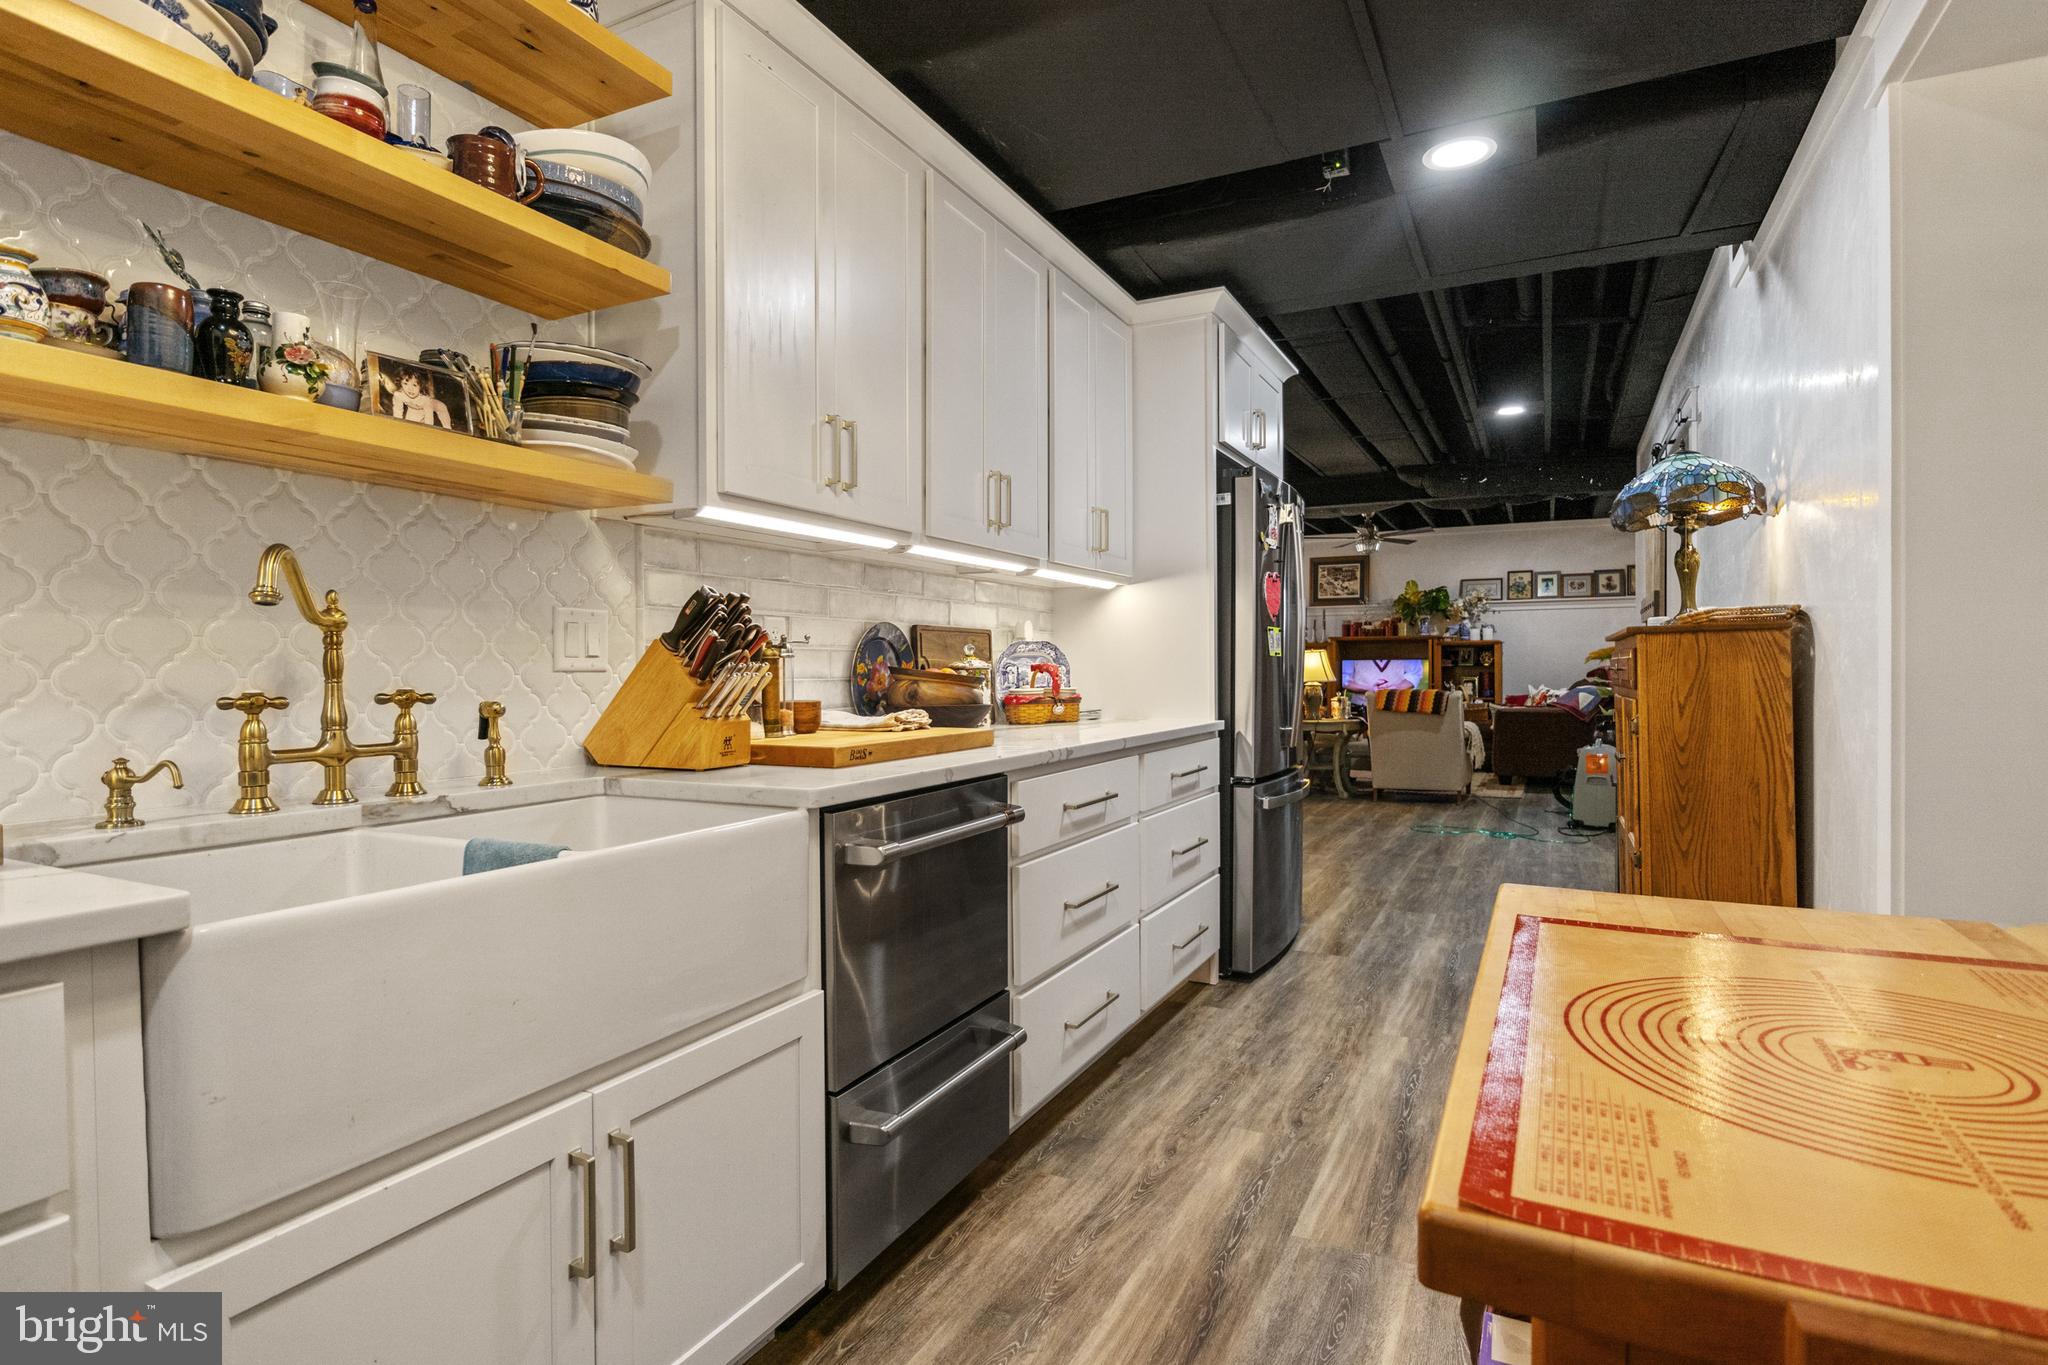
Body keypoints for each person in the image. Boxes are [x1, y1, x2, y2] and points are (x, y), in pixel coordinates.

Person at [383, 366, 454, 428]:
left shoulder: (425, 399)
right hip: (414, 406)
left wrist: (428, 429)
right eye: (405, 383)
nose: (410, 389)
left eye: (414, 385)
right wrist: (397, 425)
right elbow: (397, 411)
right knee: (410, 426)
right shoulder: (398, 395)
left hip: (435, 406)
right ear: (400, 383)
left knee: (444, 424)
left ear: (421, 385)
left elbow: (429, 419)